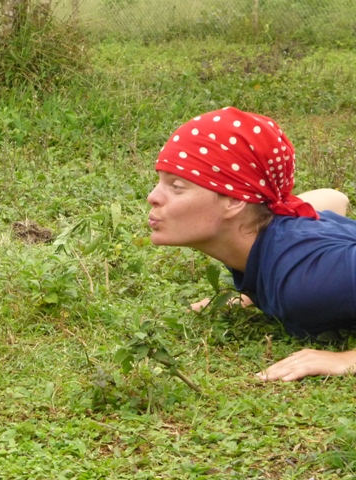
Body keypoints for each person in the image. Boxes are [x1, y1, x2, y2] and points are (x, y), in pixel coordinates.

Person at [147, 106, 356, 382]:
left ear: (235, 201)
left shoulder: (307, 281)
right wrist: (256, 292)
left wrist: (346, 359)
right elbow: (333, 197)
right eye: (160, 182)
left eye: (177, 187)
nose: (153, 197)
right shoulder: (270, 231)